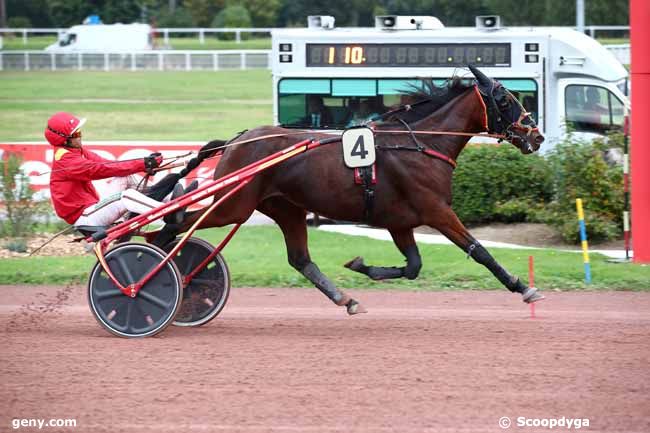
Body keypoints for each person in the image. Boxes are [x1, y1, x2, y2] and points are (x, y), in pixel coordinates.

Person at [45, 112, 186, 229]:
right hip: (85, 218)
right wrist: (142, 164)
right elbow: (102, 169)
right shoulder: (66, 160)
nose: (80, 136)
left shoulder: (76, 151)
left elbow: (111, 164)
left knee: (124, 176)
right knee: (126, 196)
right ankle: (166, 213)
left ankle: (167, 198)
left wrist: (145, 162)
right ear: (64, 139)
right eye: (76, 134)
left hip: (92, 208)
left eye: (80, 132)